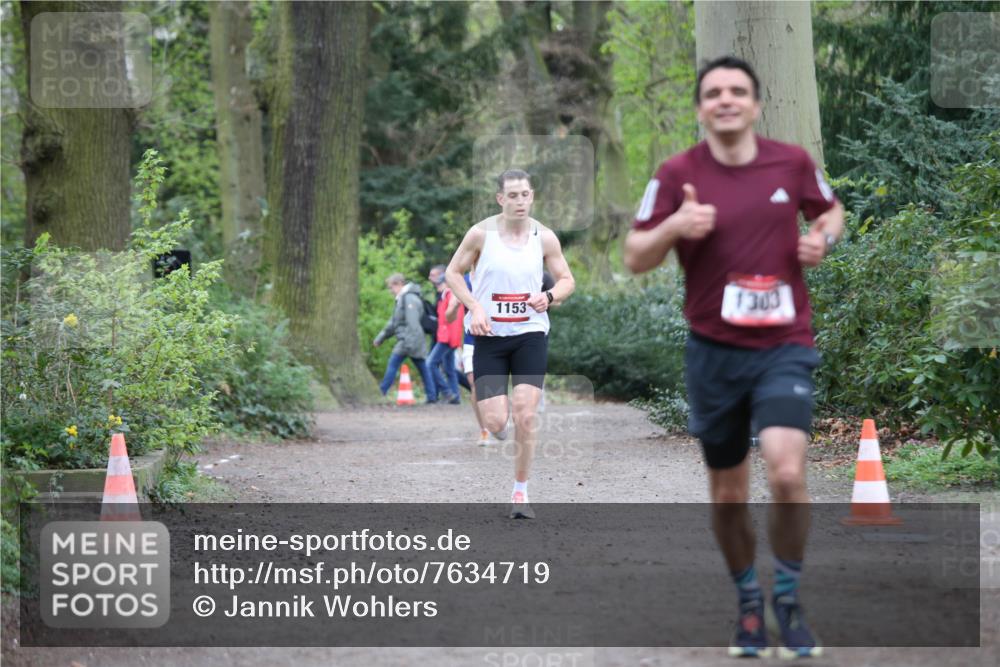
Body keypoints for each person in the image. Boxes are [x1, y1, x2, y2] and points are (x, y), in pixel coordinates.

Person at [624, 55, 844, 659]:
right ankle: (750, 603)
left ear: (756, 104)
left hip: (783, 346)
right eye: (714, 92)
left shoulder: (791, 162)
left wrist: (822, 238)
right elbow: (636, 255)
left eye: (737, 91)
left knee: (788, 470)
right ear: (700, 108)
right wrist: (676, 226)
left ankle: (789, 598)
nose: (726, 99)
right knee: (727, 495)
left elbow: (830, 209)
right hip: (714, 352)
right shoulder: (675, 174)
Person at [445, 169, 575, 518]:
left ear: (532, 196)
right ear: (500, 199)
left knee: (526, 414)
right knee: (496, 421)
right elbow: (452, 273)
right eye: (513, 195)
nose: (520, 201)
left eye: (525, 194)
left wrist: (548, 296)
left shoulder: (544, 237)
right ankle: (497, 428)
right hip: (489, 337)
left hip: (530, 335)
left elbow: (566, 280)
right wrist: (474, 307)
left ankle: (520, 493)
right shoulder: (480, 235)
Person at [373, 273, 437, 404]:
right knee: (422, 367)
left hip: (409, 341)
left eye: (391, 287)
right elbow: (394, 322)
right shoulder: (402, 298)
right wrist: (381, 338)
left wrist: (408, 343)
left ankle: (381, 393)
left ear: (399, 284)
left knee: (393, 364)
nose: (391, 291)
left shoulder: (409, 299)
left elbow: (412, 324)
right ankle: (432, 396)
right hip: (410, 340)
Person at [447, 271, 489, 445]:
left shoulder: (494, 273)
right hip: (472, 341)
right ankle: (484, 430)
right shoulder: (461, 281)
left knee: (495, 388)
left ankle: (497, 418)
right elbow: (448, 317)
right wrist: (455, 305)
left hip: (497, 339)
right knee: (475, 384)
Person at [427, 265, 463, 404]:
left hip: (447, 338)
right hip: (449, 337)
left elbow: (453, 320)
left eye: (440, 283)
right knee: (449, 369)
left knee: (430, 363)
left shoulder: (451, 296)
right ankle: (455, 397)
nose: (437, 286)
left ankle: (447, 392)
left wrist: (450, 340)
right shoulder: (446, 296)